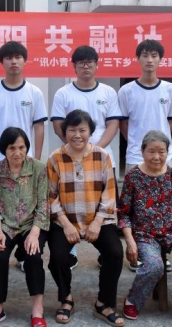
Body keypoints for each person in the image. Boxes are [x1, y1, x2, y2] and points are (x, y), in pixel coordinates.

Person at [47, 110, 124, 326]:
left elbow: (109, 195)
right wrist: (66, 224)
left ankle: (104, 303)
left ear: (90, 132)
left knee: (115, 253)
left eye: (82, 130)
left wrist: (97, 222)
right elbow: (50, 196)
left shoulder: (102, 156)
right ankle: (66, 299)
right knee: (57, 258)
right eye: (72, 130)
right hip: (65, 221)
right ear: (64, 132)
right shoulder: (55, 158)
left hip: (97, 220)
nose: (77, 135)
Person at [50, 45, 123, 269]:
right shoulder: (63, 93)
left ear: (96, 65)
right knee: (69, 205)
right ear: (74, 66)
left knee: (103, 206)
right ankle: (70, 250)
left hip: (102, 161)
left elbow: (113, 124)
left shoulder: (108, 92)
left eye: (90, 62)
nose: (85, 66)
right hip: (69, 160)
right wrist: (78, 149)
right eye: (81, 63)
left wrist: (93, 151)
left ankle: (103, 250)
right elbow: (58, 126)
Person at [118, 130, 172, 325]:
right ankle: (133, 300)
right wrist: (130, 240)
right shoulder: (133, 177)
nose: (156, 157)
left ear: (167, 153)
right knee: (154, 266)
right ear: (142, 151)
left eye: (161, 152)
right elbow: (123, 213)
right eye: (151, 151)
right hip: (145, 235)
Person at [118, 40, 172, 272]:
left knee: (165, 206)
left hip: (165, 157)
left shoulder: (170, 90)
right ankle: (137, 253)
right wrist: (141, 147)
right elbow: (124, 124)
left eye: (154, 55)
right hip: (136, 155)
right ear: (138, 59)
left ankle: (162, 252)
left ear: (161, 59)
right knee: (136, 207)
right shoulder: (126, 91)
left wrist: (159, 149)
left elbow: (171, 122)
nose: (150, 60)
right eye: (145, 55)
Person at [0, 127, 50, 327]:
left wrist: (34, 234)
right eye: (12, 148)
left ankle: (37, 309)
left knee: (33, 256)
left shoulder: (38, 168)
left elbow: (44, 205)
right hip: (5, 225)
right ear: (4, 149)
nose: (17, 153)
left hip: (32, 224)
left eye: (22, 147)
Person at [0, 40, 48, 166]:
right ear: (2, 62)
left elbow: (39, 127)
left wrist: (36, 160)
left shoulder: (35, 92)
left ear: (24, 61)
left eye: (18, 57)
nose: (14, 61)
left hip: (25, 158)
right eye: (9, 58)